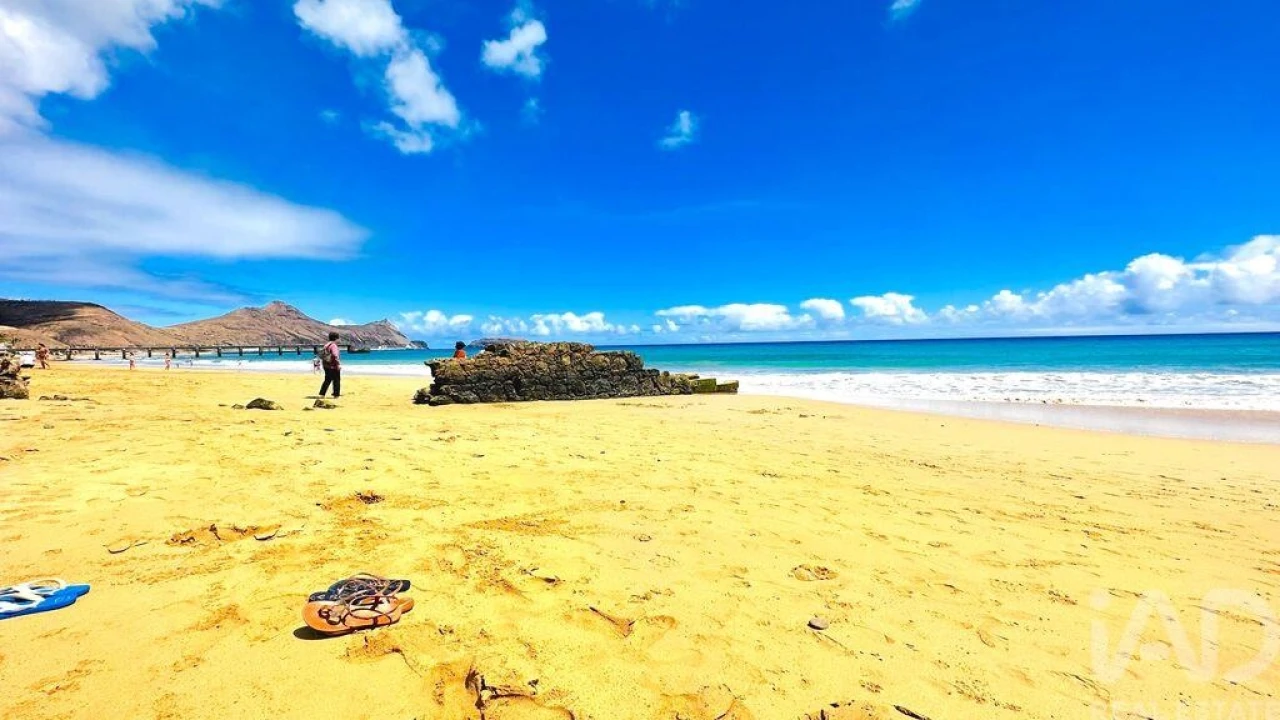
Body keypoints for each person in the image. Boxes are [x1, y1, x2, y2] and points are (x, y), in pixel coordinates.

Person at [318, 332, 341, 399]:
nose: (339, 340)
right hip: (333, 366)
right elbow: (335, 355)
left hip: (326, 365)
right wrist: (338, 364)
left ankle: (322, 394)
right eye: (338, 338)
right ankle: (336, 395)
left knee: (327, 380)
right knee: (336, 380)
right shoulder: (333, 345)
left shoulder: (326, 345)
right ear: (336, 338)